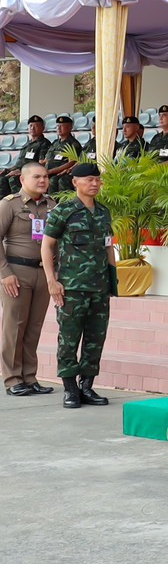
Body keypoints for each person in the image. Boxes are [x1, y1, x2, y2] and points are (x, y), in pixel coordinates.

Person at [42, 161, 118, 409]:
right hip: (72, 288)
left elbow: (108, 246)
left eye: (97, 180)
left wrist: (113, 280)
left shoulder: (103, 212)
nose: (94, 184)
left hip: (100, 287)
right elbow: (47, 245)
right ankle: (70, 388)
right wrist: (52, 281)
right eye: (89, 180)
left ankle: (87, 386)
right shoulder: (64, 211)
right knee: (69, 338)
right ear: (75, 182)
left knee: (96, 338)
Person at [0, 162, 57, 397]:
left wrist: (55, 273)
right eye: (37, 177)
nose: (43, 181)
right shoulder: (9, 204)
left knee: (34, 327)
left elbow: (57, 241)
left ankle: (30, 377)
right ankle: (13, 379)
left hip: (42, 272)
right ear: (23, 180)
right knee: (14, 327)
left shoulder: (52, 205)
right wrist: (5, 273)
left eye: (45, 176)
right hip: (16, 272)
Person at [2, 116, 52, 198]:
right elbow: (20, 162)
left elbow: (41, 163)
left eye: (36, 126)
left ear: (42, 128)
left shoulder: (44, 144)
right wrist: (8, 169)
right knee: (2, 178)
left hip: (30, 172)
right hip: (19, 170)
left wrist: (21, 171)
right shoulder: (27, 143)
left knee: (13, 179)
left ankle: (21, 202)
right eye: (31, 126)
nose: (32, 128)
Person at [44, 116, 82, 195]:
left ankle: (55, 202)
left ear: (70, 127)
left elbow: (71, 163)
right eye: (57, 126)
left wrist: (51, 171)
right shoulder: (55, 142)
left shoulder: (73, 143)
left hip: (62, 173)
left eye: (62, 126)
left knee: (54, 180)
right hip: (49, 172)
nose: (58, 128)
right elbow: (46, 159)